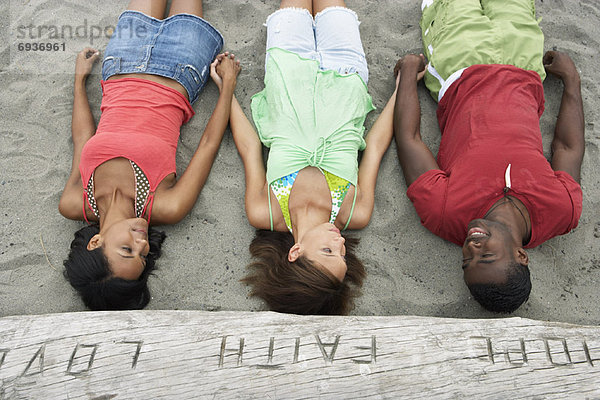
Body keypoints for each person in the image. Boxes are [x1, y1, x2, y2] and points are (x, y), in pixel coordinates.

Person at [393, 0, 584, 312]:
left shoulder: (444, 212)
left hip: (461, 64)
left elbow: (409, 139)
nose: (472, 248)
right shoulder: (562, 211)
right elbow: (568, 147)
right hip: (524, 65)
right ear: (521, 255)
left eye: (467, 261)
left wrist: (407, 82)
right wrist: (572, 81)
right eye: (487, 255)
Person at [59, 0, 240, 310]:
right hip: (180, 67)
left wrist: (79, 82)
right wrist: (228, 87)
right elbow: (209, 143)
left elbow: (83, 139)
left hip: (120, 64)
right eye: (143, 255)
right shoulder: (166, 206)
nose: (142, 243)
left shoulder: (76, 203)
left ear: (96, 243)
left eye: (128, 250)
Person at [220, 0, 398, 315]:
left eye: (329, 251)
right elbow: (375, 147)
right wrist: (400, 90)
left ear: (296, 252)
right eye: (343, 255)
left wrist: (226, 89)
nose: (341, 244)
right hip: (346, 77)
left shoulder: (266, 212)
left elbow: (249, 147)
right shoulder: (353, 213)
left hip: (288, 71)